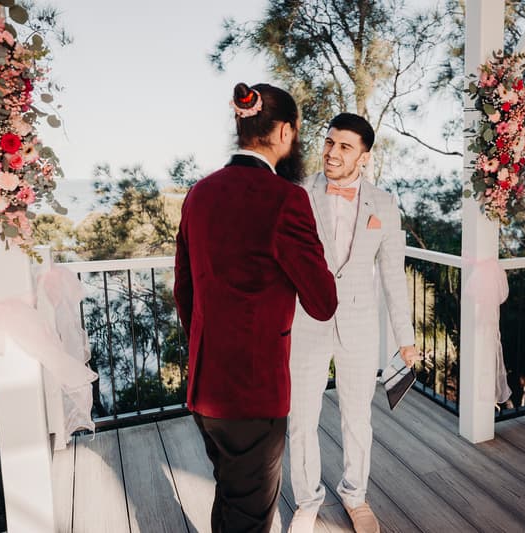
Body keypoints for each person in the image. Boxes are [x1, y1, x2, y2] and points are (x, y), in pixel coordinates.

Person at [173, 82, 337, 533]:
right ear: (285, 132)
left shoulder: (199, 194)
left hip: (206, 389)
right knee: (251, 517)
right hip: (254, 393)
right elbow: (323, 302)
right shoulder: (286, 199)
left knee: (229, 497)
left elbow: (183, 290)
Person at [287, 113, 419, 533]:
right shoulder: (297, 193)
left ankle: (354, 496)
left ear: (364, 155)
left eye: (345, 146)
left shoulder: (384, 203)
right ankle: (307, 502)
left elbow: (394, 275)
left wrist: (405, 337)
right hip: (305, 320)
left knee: (357, 417)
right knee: (301, 418)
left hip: (360, 325)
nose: (332, 153)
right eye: (329, 142)